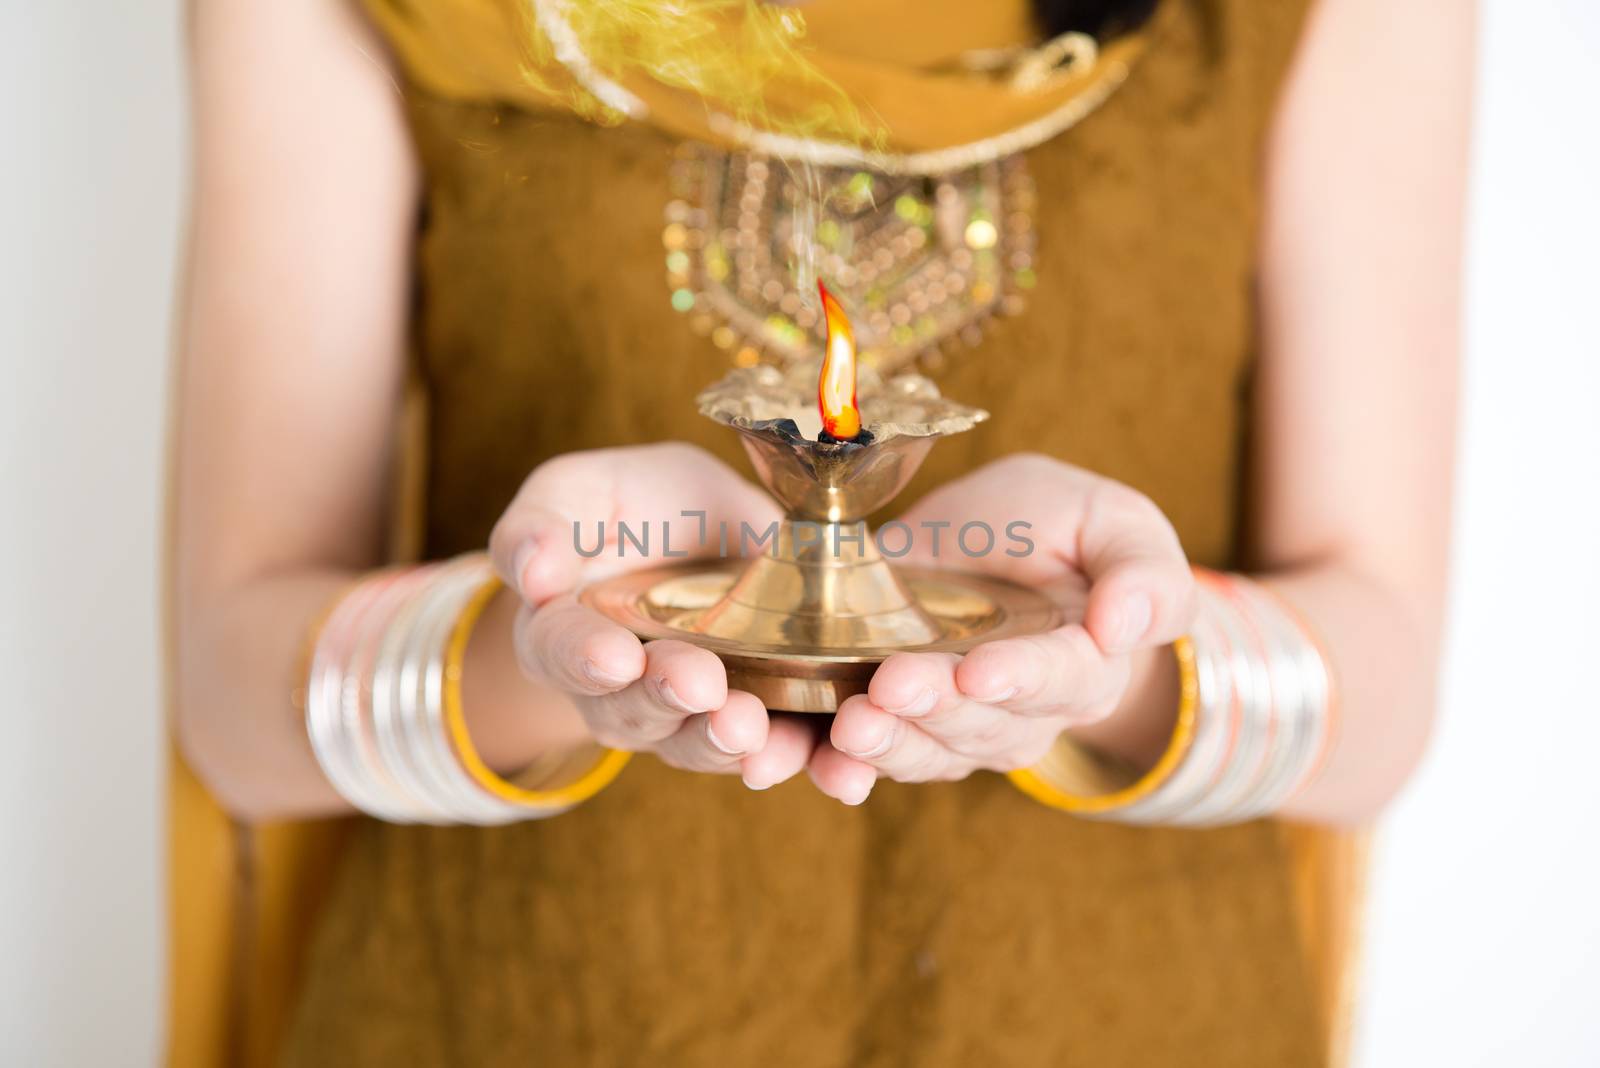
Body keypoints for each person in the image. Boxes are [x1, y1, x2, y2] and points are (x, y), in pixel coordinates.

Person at [172, 0, 1472, 1064]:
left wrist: (1100, 664)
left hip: (1128, 1017)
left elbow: (1385, 705)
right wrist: (556, 646)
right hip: (514, 1007)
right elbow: (233, 710)